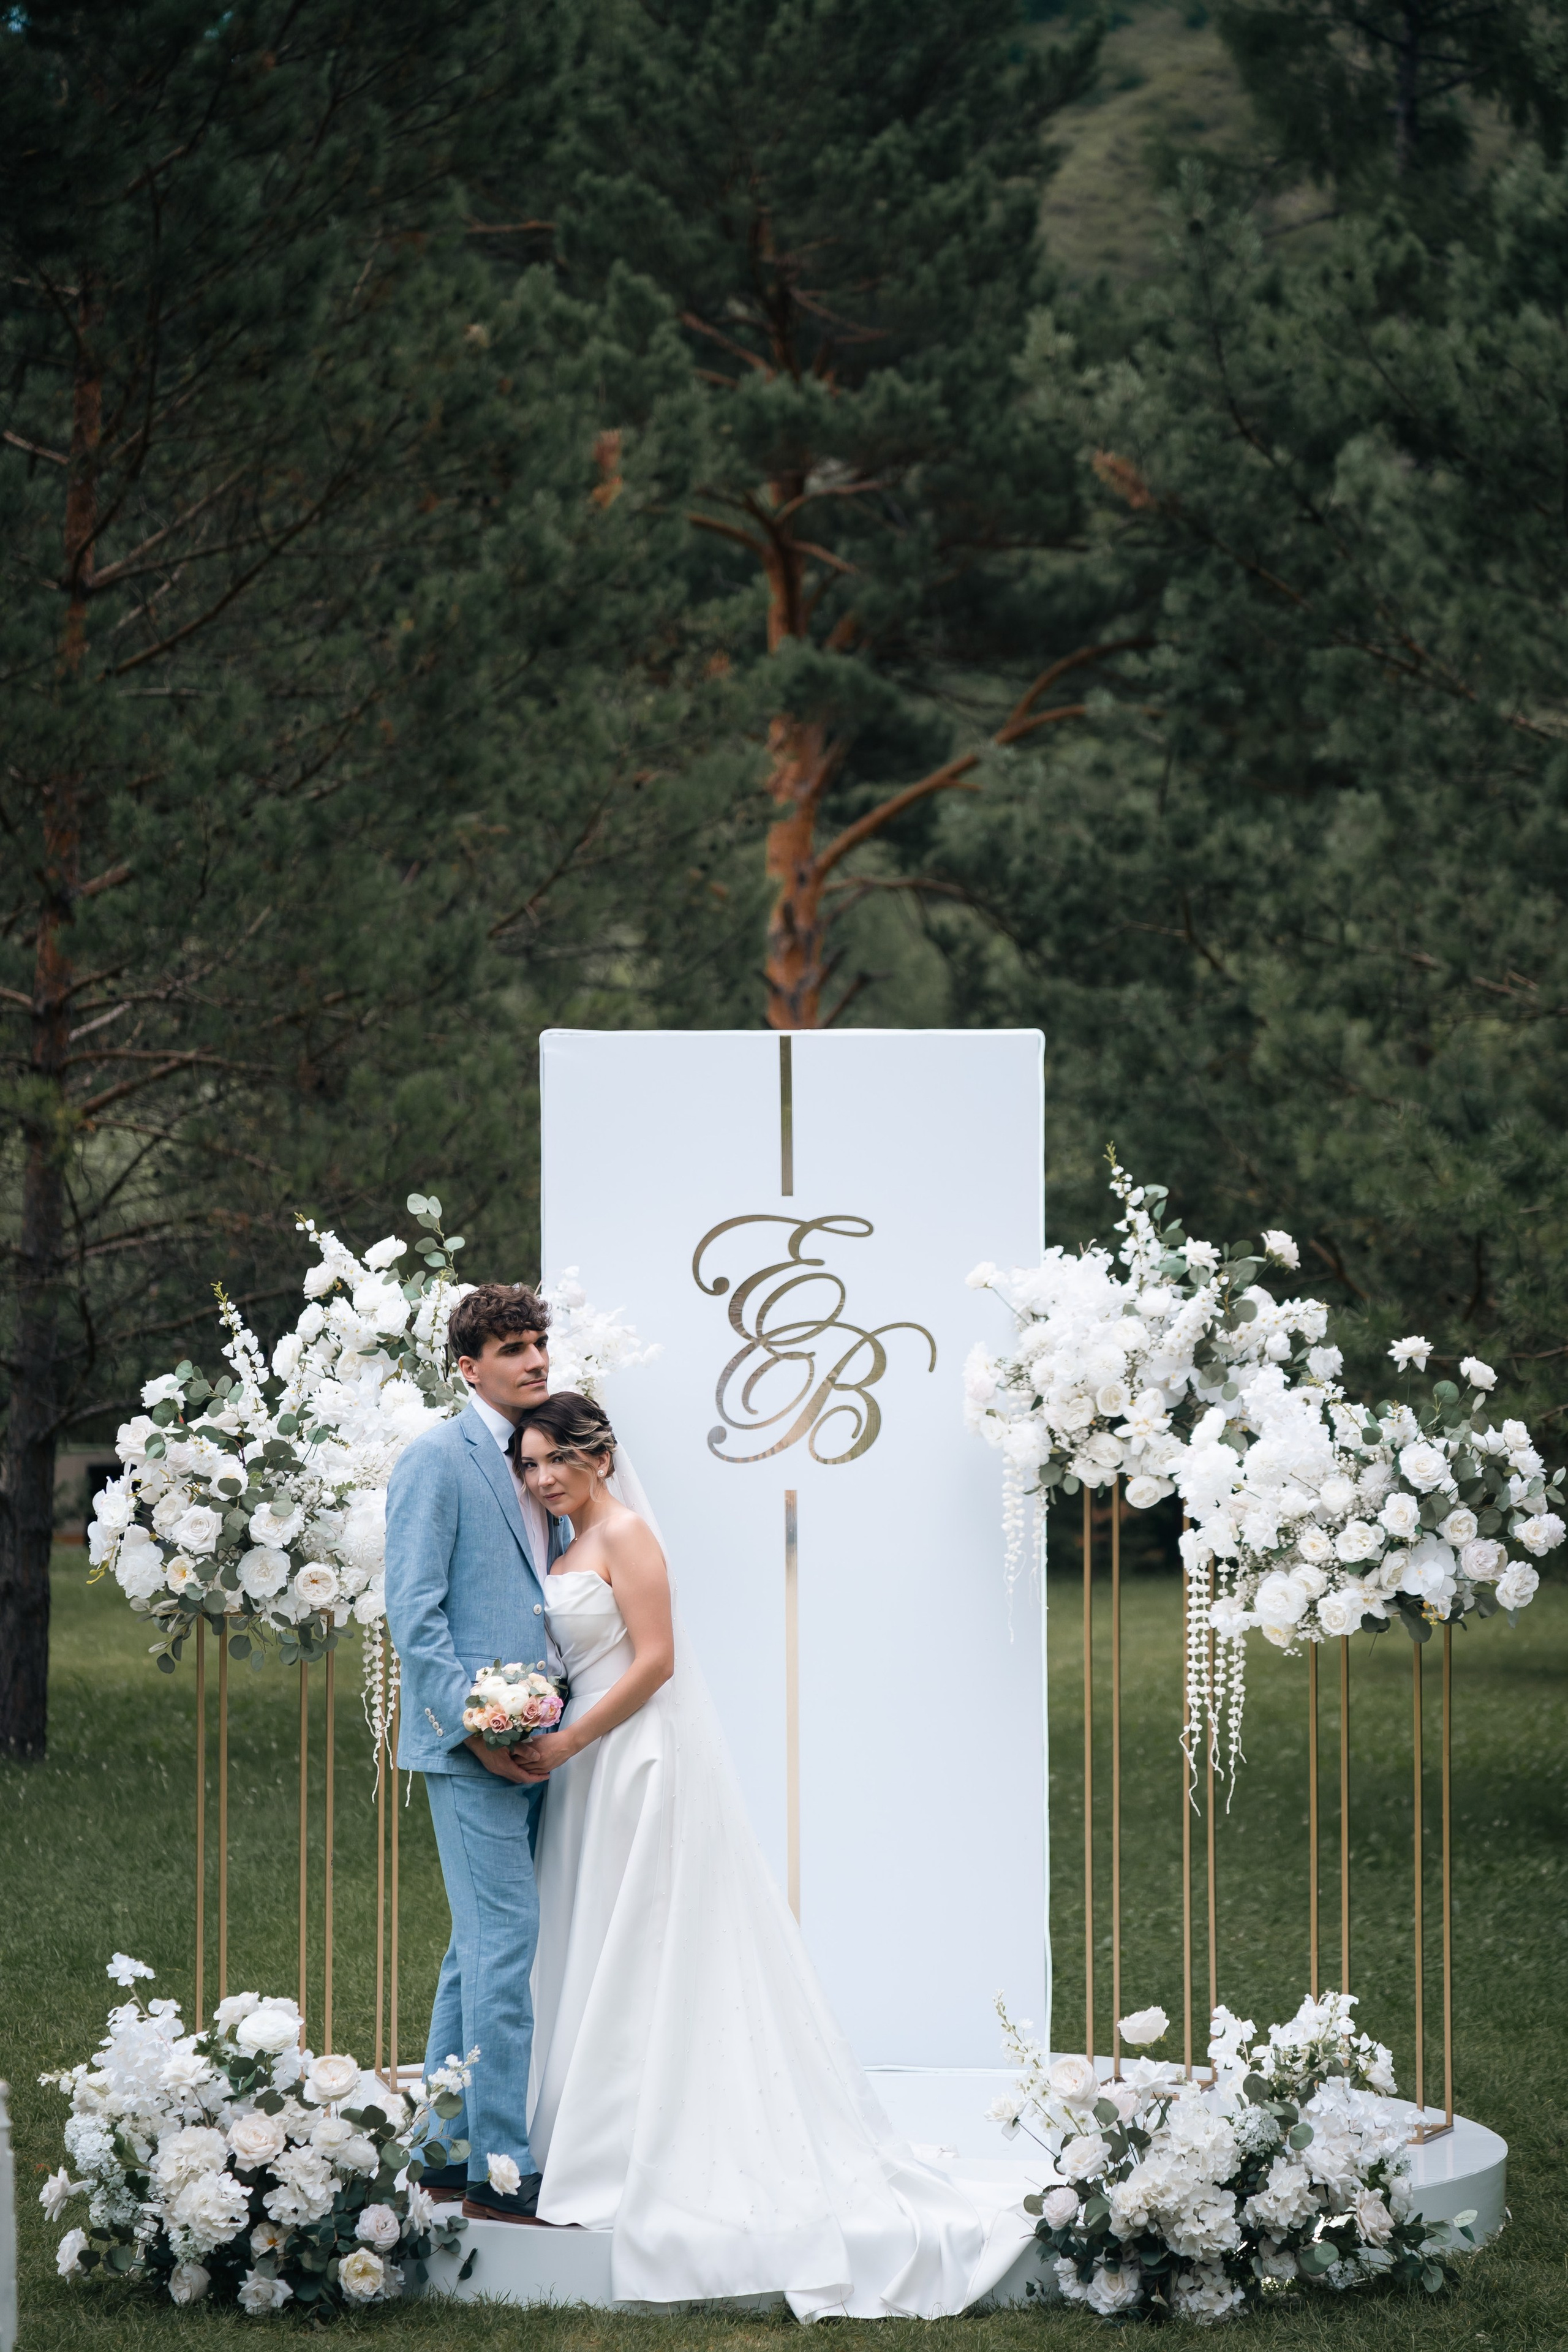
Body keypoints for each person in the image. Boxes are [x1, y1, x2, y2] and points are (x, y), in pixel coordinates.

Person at [511, 1390, 1031, 2316]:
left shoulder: (626, 1534)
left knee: (646, 1935)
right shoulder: (563, 1542)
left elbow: (657, 1661)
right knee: (594, 1929)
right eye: (532, 1465)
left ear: (600, 1456)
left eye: (559, 1459)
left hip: (629, 1754)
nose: (545, 1478)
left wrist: (571, 1740)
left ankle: (637, 2133)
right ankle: (582, 2119)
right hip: (582, 1760)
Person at [382, 1283, 571, 2224]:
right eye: (512, 1349)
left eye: (538, 1343)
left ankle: (442, 2150)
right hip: (469, 1753)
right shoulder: (436, 1458)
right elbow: (414, 1614)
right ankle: (503, 2165)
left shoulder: (544, 1455)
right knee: (505, 1949)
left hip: (540, 1744)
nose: (535, 1360)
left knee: (476, 1949)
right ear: (469, 1367)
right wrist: (475, 1732)